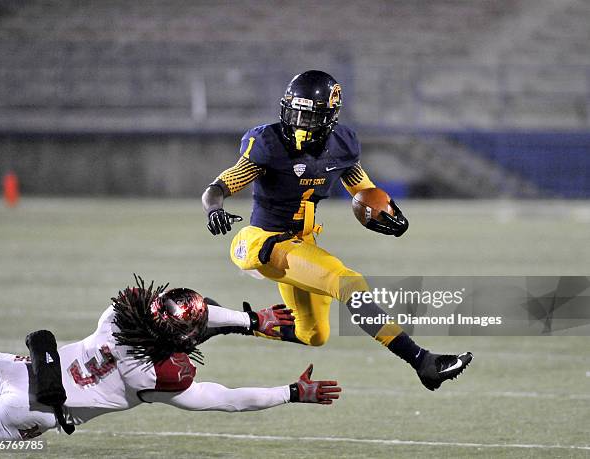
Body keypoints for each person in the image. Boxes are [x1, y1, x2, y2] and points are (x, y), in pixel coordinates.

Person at [201, 70, 472, 391]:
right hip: (260, 242)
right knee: (348, 283)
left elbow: (363, 189)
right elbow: (222, 184)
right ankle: (422, 360)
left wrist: (384, 211)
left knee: (312, 334)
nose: (298, 121)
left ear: (328, 118)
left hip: (301, 243)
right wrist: (214, 207)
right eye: (294, 111)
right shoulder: (268, 143)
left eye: (308, 115)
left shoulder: (341, 145)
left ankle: (222, 321)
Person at [0, 276, 340, 440]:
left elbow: (185, 309)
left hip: (13, 367)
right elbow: (228, 400)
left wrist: (251, 319)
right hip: (30, 412)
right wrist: (290, 392)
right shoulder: (154, 378)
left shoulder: (116, 316)